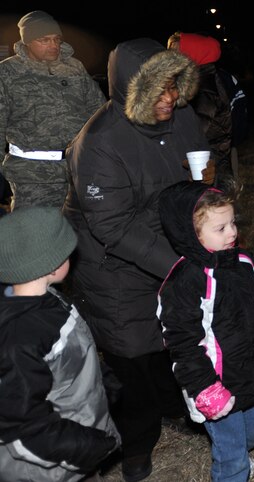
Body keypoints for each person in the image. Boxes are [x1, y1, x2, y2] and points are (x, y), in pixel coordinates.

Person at [64, 38, 213, 482]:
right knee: (133, 358)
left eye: (174, 86)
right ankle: (136, 444)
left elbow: (200, 170)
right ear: (133, 90)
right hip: (113, 267)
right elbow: (112, 226)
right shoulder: (100, 141)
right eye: (160, 90)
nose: (170, 98)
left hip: (168, 248)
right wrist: (180, 263)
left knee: (175, 338)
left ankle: (174, 408)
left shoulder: (182, 117)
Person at [157, 181, 254, 481]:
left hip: (249, 370)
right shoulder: (185, 284)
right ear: (192, 234)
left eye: (232, 223)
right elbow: (182, 344)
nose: (232, 233)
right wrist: (205, 387)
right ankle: (233, 469)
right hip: (214, 381)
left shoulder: (241, 262)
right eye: (221, 228)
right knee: (231, 454)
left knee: (249, 432)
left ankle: (241, 454)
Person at [0, 206, 120, 482]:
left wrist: (101, 380)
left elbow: (68, 354)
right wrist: (90, 447)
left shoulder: (47, 299)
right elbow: (23, 428)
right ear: (53, 264)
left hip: (74, 444)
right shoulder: (18, 338)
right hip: (48, 467)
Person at [0, 10, 106, 211]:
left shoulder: (74, 68)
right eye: (44, 40)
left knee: (79, 237)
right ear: (27, 42)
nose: (54, 45)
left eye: (57, 39)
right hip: (32, 178)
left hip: (78, 172)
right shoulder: (7, 73)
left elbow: (99, 113)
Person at [168, 32, 235, 181]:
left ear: (191, 54)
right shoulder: (201, 81)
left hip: (209, 169)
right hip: (211, 165)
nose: (170, 59)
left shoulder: (204, 88)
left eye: (176, 53)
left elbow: (194, 132)